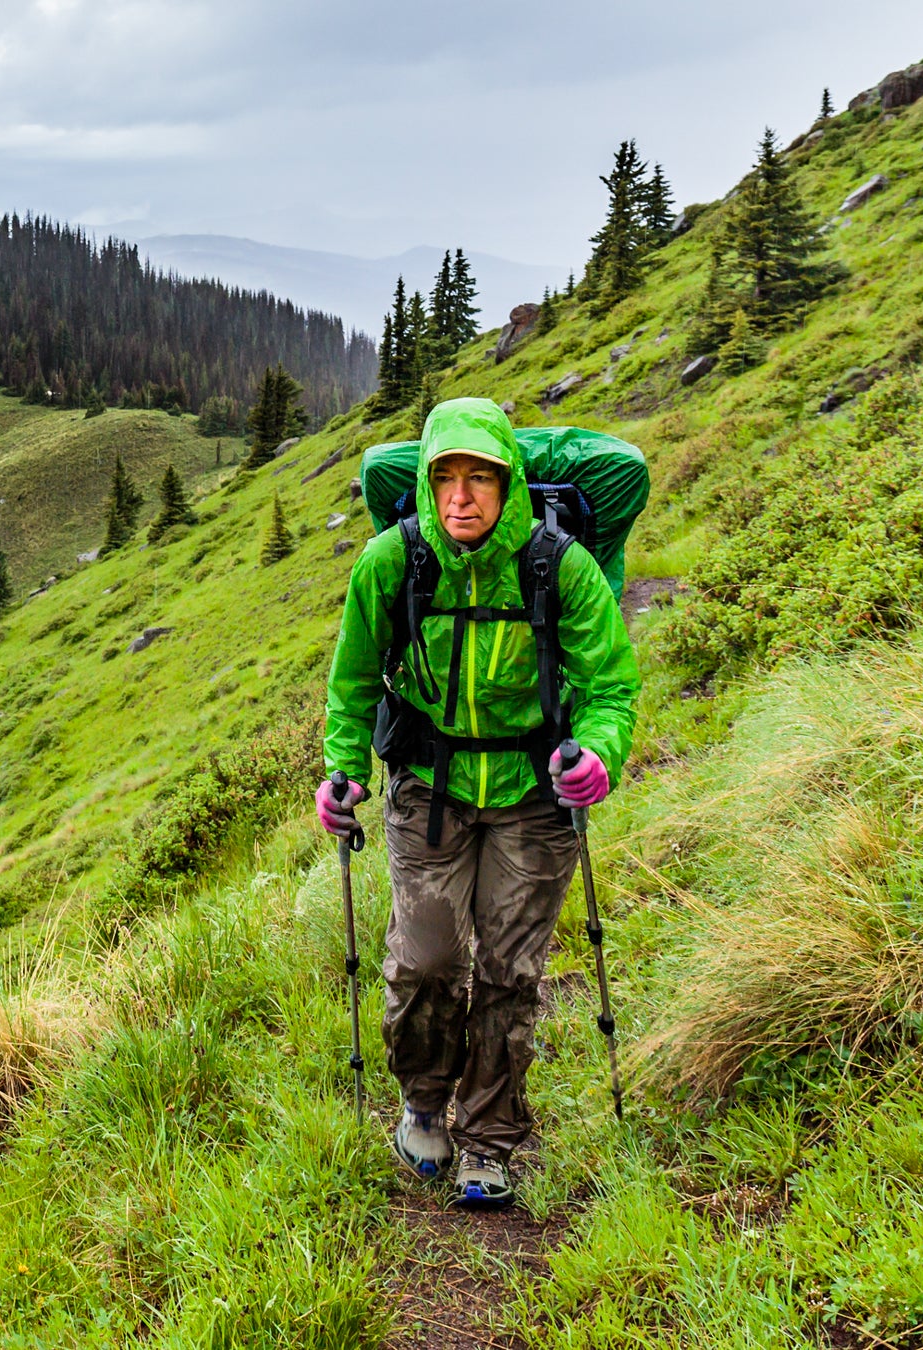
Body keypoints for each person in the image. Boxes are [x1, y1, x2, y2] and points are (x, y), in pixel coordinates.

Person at [317, 397, 639, 1210]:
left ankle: (491, 1136)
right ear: (426, 486)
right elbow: (353, 682)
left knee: (509, 971)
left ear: (510, 483)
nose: (462, 497)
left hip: (534, 796)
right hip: (430, 788)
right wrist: (344, 771)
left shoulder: (556, 564)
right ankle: (425, 1101)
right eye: (445, 478)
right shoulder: (393, 562)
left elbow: (610, 684)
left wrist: (598, 754)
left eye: (481, 478)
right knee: (423, 960)